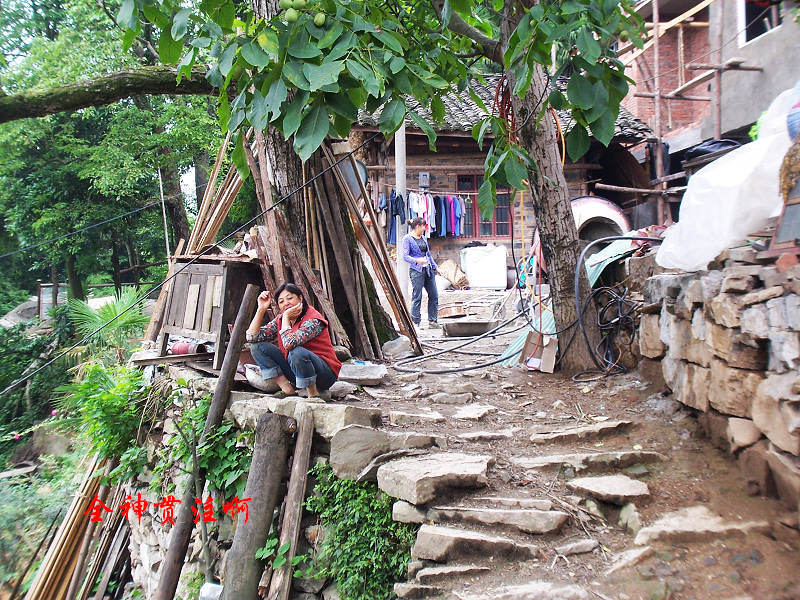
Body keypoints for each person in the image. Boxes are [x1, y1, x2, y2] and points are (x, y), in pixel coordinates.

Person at [246, 283, 341, 398]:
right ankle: (287, 389)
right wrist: (261, 309)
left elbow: (290, 343)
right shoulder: (281, 319)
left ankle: (313, 394)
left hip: (324, 375)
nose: (286, 303)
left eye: (290, 298)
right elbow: (252, 337)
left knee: (296, 351)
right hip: (296, 372)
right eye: (281, 301)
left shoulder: (313, 319)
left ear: (300, 298)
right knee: (257, 347)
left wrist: (286, 317)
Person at [400, 216, 440, 329]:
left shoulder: (423, 238)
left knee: (434, 295)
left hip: (428, 270)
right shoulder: (407, 239)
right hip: (416, 271)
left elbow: (428, 255)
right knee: (417, 296)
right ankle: (415, 322)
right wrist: (417, 260)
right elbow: (405, 256)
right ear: (418, 226)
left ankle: (432, 321)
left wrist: (435, 267)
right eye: (423, 226)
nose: (424, 229)